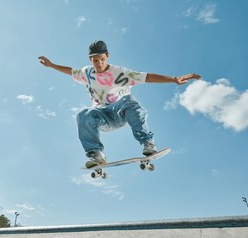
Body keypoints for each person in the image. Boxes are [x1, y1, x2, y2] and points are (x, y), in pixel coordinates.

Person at [38, 40, 201, 168]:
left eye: (102, 59)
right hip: (102, 118)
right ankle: (96, 153)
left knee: (128, 100)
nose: (99, 63)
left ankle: (147, 143)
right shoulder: (86, 72)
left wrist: (173, 79)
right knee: (83, 114)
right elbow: (70, 71)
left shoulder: (120, 72)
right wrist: (51, 65)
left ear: (107, 56)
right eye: (95, 60)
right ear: (90, 59)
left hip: (121, 112)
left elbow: (148, 77)